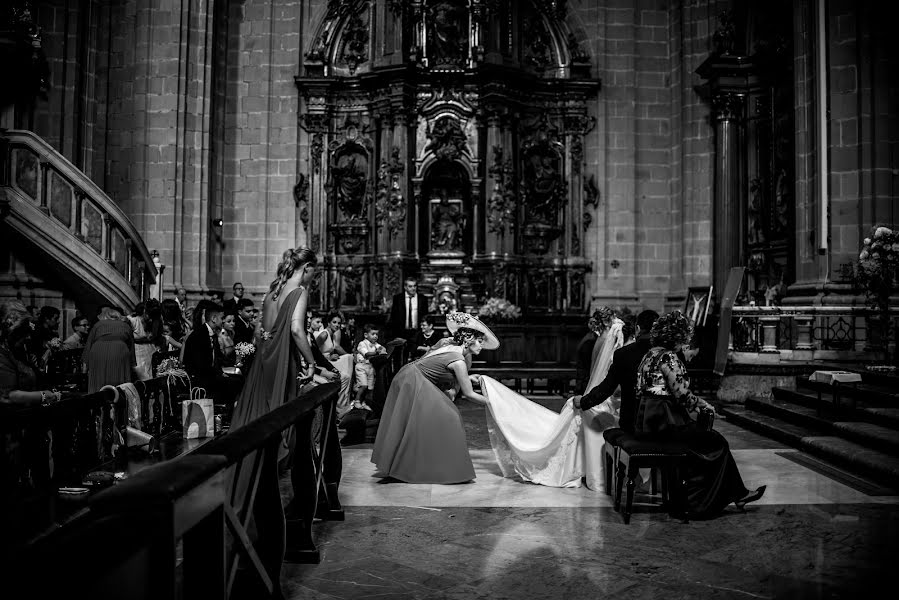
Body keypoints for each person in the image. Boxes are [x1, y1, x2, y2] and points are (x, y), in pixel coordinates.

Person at [227, 247, 318, 595]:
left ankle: (244, 484)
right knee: (275, 426)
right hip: (282, 364)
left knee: (254, 423)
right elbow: (296, 331)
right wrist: (310, 362)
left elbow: (261, 334)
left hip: (263, 365)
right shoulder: (299, 291)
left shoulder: (272, 290)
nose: (313, 279)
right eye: (313, 273)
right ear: (307, 269)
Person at [632, 311, 765, 517]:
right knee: (717, 442)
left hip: (646, 421)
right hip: (665, 423)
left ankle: (737, 494)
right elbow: (683, 396)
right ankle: (700, 502)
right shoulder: (670, 358)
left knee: (708, 440)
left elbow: (641, 390)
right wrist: (705, 405)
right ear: (678, 337)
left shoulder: (649, 355)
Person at [372, 311, 496, 484]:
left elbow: (439, 365)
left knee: (420, 422)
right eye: (480, 341)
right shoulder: (459, 361)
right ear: (469, 340)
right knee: (449, 416)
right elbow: (469, 394)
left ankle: (414, 464)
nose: (482, 346)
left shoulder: (448, 343)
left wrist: (468, 377)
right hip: (414, 381)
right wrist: (494, 404)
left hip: (409, 374)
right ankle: (438, 468)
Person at [0, 300, 61, 406]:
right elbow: (8, 396)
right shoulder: (3, 355)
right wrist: (43, 396)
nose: (28, 337)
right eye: (24, 332)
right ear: (12, 332)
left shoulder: (19, 350)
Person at [82, 306, 135, 393]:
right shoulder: (125, 326)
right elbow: (131, 347)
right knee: (118, 379)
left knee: (98, 379)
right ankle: (117, 400)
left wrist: (85, 369)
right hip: (119, 351)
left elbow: (89, 345)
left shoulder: (98, 325)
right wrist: (131, 364)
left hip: (98, 351)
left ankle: (97, 399)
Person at [315, 310, 354, 415]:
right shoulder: (324, 334)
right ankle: (340, 408)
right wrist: (329, 357)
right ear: (328, 323)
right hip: (322, 363)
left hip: (328, 362)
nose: (337, 325)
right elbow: (314, 352)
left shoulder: (332, 335)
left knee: (349, 358)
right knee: (345, 377)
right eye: (334, 322)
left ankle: (344, 403)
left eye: (339, 323)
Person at [388, 277, 429, 363]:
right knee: (399, 358)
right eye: (410, 286)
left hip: (417, 332)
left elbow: (425, 317)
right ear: (405, 287)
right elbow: (394, 318)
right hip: (402, 332)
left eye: (414, 286)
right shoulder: (398, 298)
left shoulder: (422, 299)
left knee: (417, 359)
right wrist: (394, 335)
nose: (413, 288)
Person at [353, 324, 385, 412]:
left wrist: (382, 349)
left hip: (370, 367)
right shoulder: (362, 344)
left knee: (370, 388)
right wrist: (377, 352)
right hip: (361, 367)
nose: (375, 336)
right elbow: (367, 354)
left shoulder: (375, 344)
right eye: (373, 334)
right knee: (364, 385)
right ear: (366, 335)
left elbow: (381, 348)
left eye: (377, 334)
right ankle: (356, 401)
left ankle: (365, 402)